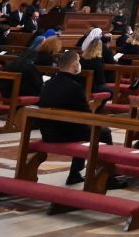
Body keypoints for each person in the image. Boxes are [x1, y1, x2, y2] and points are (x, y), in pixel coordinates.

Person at [38, 49, 124, 186]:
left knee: (83, 129)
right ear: (73, 64)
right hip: (64, 133)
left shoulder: (48, 84)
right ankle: (108, 177)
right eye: (78, 61)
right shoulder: (74, 86)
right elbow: (86, 115)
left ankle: (75, 174)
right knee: (103, 132)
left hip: (48, 131)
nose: (80, 63)